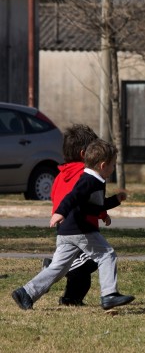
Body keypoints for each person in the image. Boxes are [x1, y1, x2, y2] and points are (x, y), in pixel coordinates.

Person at [12, 139, 135, 311]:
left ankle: (26, 293)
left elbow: (93, 205)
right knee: (107, 255)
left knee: (58, 267)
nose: (114, 168)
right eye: (113, 165)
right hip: (81, 230)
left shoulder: (94, 179)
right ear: (103, 165)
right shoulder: (89, 181)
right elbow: (72, 197)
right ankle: (109, 295)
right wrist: (60, 212)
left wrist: (114, 201)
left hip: (67, 231)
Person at [43, 124, 102, 306]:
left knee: (81, 273)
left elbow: (55, 196)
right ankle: (52, 266)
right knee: (92, 261)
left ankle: (71, 299)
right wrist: (102, 211)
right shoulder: (85, 175)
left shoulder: (60, 175)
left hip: (63, 225)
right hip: (80, 226)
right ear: (85, 154)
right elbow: (87, 198)